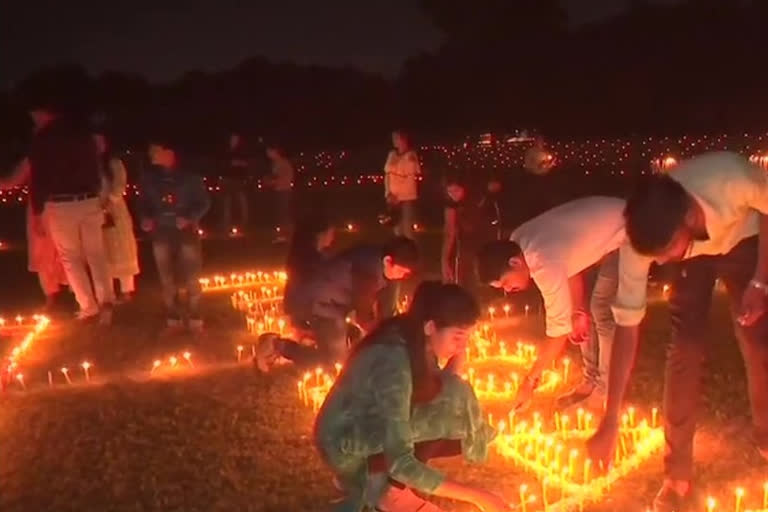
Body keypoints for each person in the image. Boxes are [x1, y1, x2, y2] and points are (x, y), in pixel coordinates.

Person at [585, 152, 768, 512]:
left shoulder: (730, 177)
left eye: (667, 252)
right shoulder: (642, 241)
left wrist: (761, 282)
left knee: (758, 340)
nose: (662, 263)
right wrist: (610, 420)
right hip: (695, 258)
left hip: (745, 239)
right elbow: (626, 328)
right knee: (684, 348)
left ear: (688, 217)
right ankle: (677, 475)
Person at [314, 281, 510, 512]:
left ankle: (375, 480)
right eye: (458, 336)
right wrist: (480, 497)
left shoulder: (415, 339)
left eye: (467, 337)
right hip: (343, 444)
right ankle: (388, 492)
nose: (463, 345)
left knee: (455, 413)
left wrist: (459, 349)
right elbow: (400, 460)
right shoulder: (393, 360)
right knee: (451, 419)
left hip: (366, 428)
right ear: (430, 327)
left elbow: (439, 388)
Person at [476, 197, 626, 413]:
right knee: (582, 315)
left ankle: (605, 391)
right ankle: (591, 380)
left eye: (506, 282)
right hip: (608, 222)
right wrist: (576, 310)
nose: (507, 290)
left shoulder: (541, 261)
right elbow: (568, 267)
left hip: (627, 229)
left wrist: (529, 382)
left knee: (601, 308)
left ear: (514, 262)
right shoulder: (518, 240)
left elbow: (558, 331)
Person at [256, 236, 419, 372]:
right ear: (388, 260)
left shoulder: (375, 258)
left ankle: (311, 335)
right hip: (320, 304)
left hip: (327, 302)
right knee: (333, 363)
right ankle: (277, 346)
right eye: (401, 272)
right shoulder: (367, 273)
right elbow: (363, 315)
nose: (401, 277)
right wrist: (384, 339)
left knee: (349, 342)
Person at [24, 100, 115, 323]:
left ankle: (88, 306)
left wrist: (37, 211)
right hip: (88, 201)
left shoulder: (44, 139)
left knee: (71, 258)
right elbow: (96, 167)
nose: (34, 119)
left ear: (45, 113)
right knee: (96, 254)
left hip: (61, 204)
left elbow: (39, 176)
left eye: (35, 114)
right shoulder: (82, 134)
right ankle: (105, 301)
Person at [138, 136, 211, 333]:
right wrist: (146, 217)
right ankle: (172, 314)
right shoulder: (149, 178)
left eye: (156, 150)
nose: (151, 154)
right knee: (166, 276)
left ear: (169, 153)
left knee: (191, 274)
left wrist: (189, 217)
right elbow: (144, 203)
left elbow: (203, 202)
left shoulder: (190, 177)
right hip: (161, 231)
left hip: (185, 231)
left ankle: (195, 314)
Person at [0, 156, 68, 311]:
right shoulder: (32, 160)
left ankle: (75, 293)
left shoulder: (64, 155)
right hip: (41, 211)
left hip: (62, 207)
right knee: (43, 252)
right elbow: (12, 181)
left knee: (66, 250)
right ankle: (52, 296)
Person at [94, 133, 139, 302]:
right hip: (95, 210)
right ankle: (107, 293)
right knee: (103, 250)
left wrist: (110, 200)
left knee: (121, 246)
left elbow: (120, 184)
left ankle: (126, 290)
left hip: (115, 209)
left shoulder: (114, 164)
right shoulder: (88, 165)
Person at [441, 175, 499, 289]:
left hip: (484, 238)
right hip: (465, 244)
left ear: (464, 188)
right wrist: (444, 259)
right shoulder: (451, 202)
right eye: (449, 191)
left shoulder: (477, 198)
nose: (453, 195)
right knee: (463, 275)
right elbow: (450, 230)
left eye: (456, 190)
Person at [283, 212, 336, 320]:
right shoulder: (313, 260)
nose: (333, 237)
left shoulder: (305, 255)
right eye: (331, 232)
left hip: (301, 311)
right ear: (320, 234)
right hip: (308, 315)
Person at [384, 130, 421, 239]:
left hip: (406, 197)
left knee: (407, 229)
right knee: (397, 229)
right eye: (393, 138)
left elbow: (407, 175)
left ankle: (411, 253)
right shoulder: (391, 154)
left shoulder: (411, 155)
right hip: (392, 198)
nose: (394, 141)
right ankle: (399, 253)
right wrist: (388, 193)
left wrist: (398, 196)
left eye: (396, 138)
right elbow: (387, 174)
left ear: (404, 140)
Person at [220, 132, 250, 232]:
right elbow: (222, 164)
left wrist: (239, 163)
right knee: (227, 201)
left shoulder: (242, 151)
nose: (234, 141)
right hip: (227, 179)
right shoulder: (226, 151)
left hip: (238, 179)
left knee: (241, 200)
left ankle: (244, 221)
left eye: (236, 139)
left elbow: (246, 164)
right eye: (232, 139)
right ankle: (226, 222)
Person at [265, 144, 294, 243]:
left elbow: (285, 177)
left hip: (284, 190)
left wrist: (272, 182)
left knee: (283, 214)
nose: (267, 154)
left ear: (275, 152)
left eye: (269, 151)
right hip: (280, 190)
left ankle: (286, 235)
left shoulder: (282, 163)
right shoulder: (276, 163)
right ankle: (284, 235)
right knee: (281, 214)